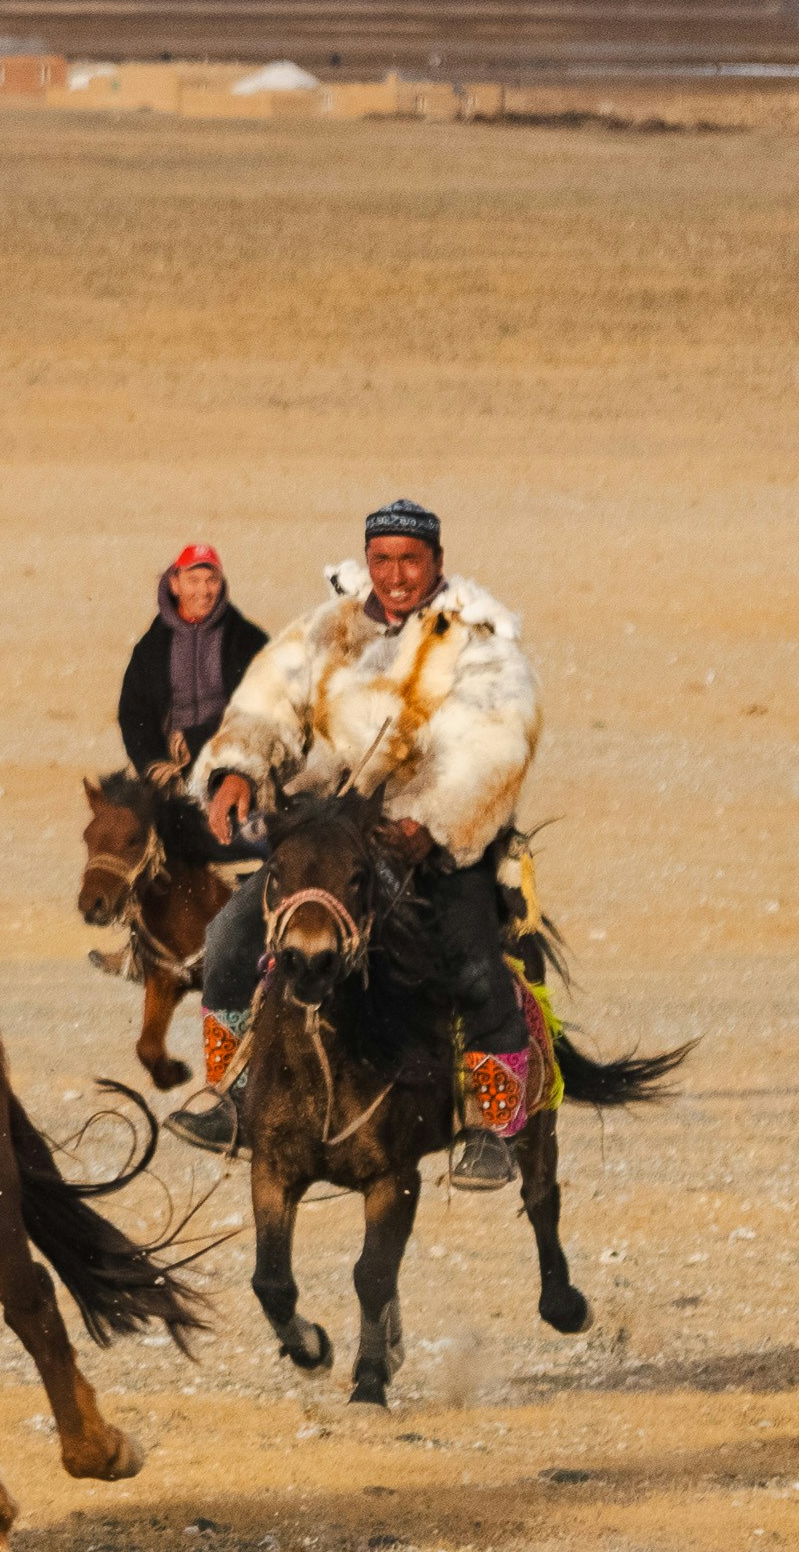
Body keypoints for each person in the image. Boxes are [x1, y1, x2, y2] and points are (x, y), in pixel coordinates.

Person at [167, 501, 549, 1187]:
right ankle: (234, 1098)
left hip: (429, 840)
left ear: (435, 560)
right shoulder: (326, 627)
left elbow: (496, 741)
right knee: (227, 939)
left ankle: (491, 1124)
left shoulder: (479, 641)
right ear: (366, 561)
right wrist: (236, 769)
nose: (395, 575)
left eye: (410, 560)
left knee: (471, 962)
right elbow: (266, 703)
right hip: (327, 831)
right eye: (382, 559)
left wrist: (428, 820)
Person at [115, 544, 267, 782]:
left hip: (232, 761)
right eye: (193, 580)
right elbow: (133, 713)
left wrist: (195, 740)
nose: (204, 590)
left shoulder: (248, 641)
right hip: (169, 764)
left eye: (211, 580)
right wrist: (152, 764)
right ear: (175, 584)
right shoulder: (150, 648)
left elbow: (261, 710)